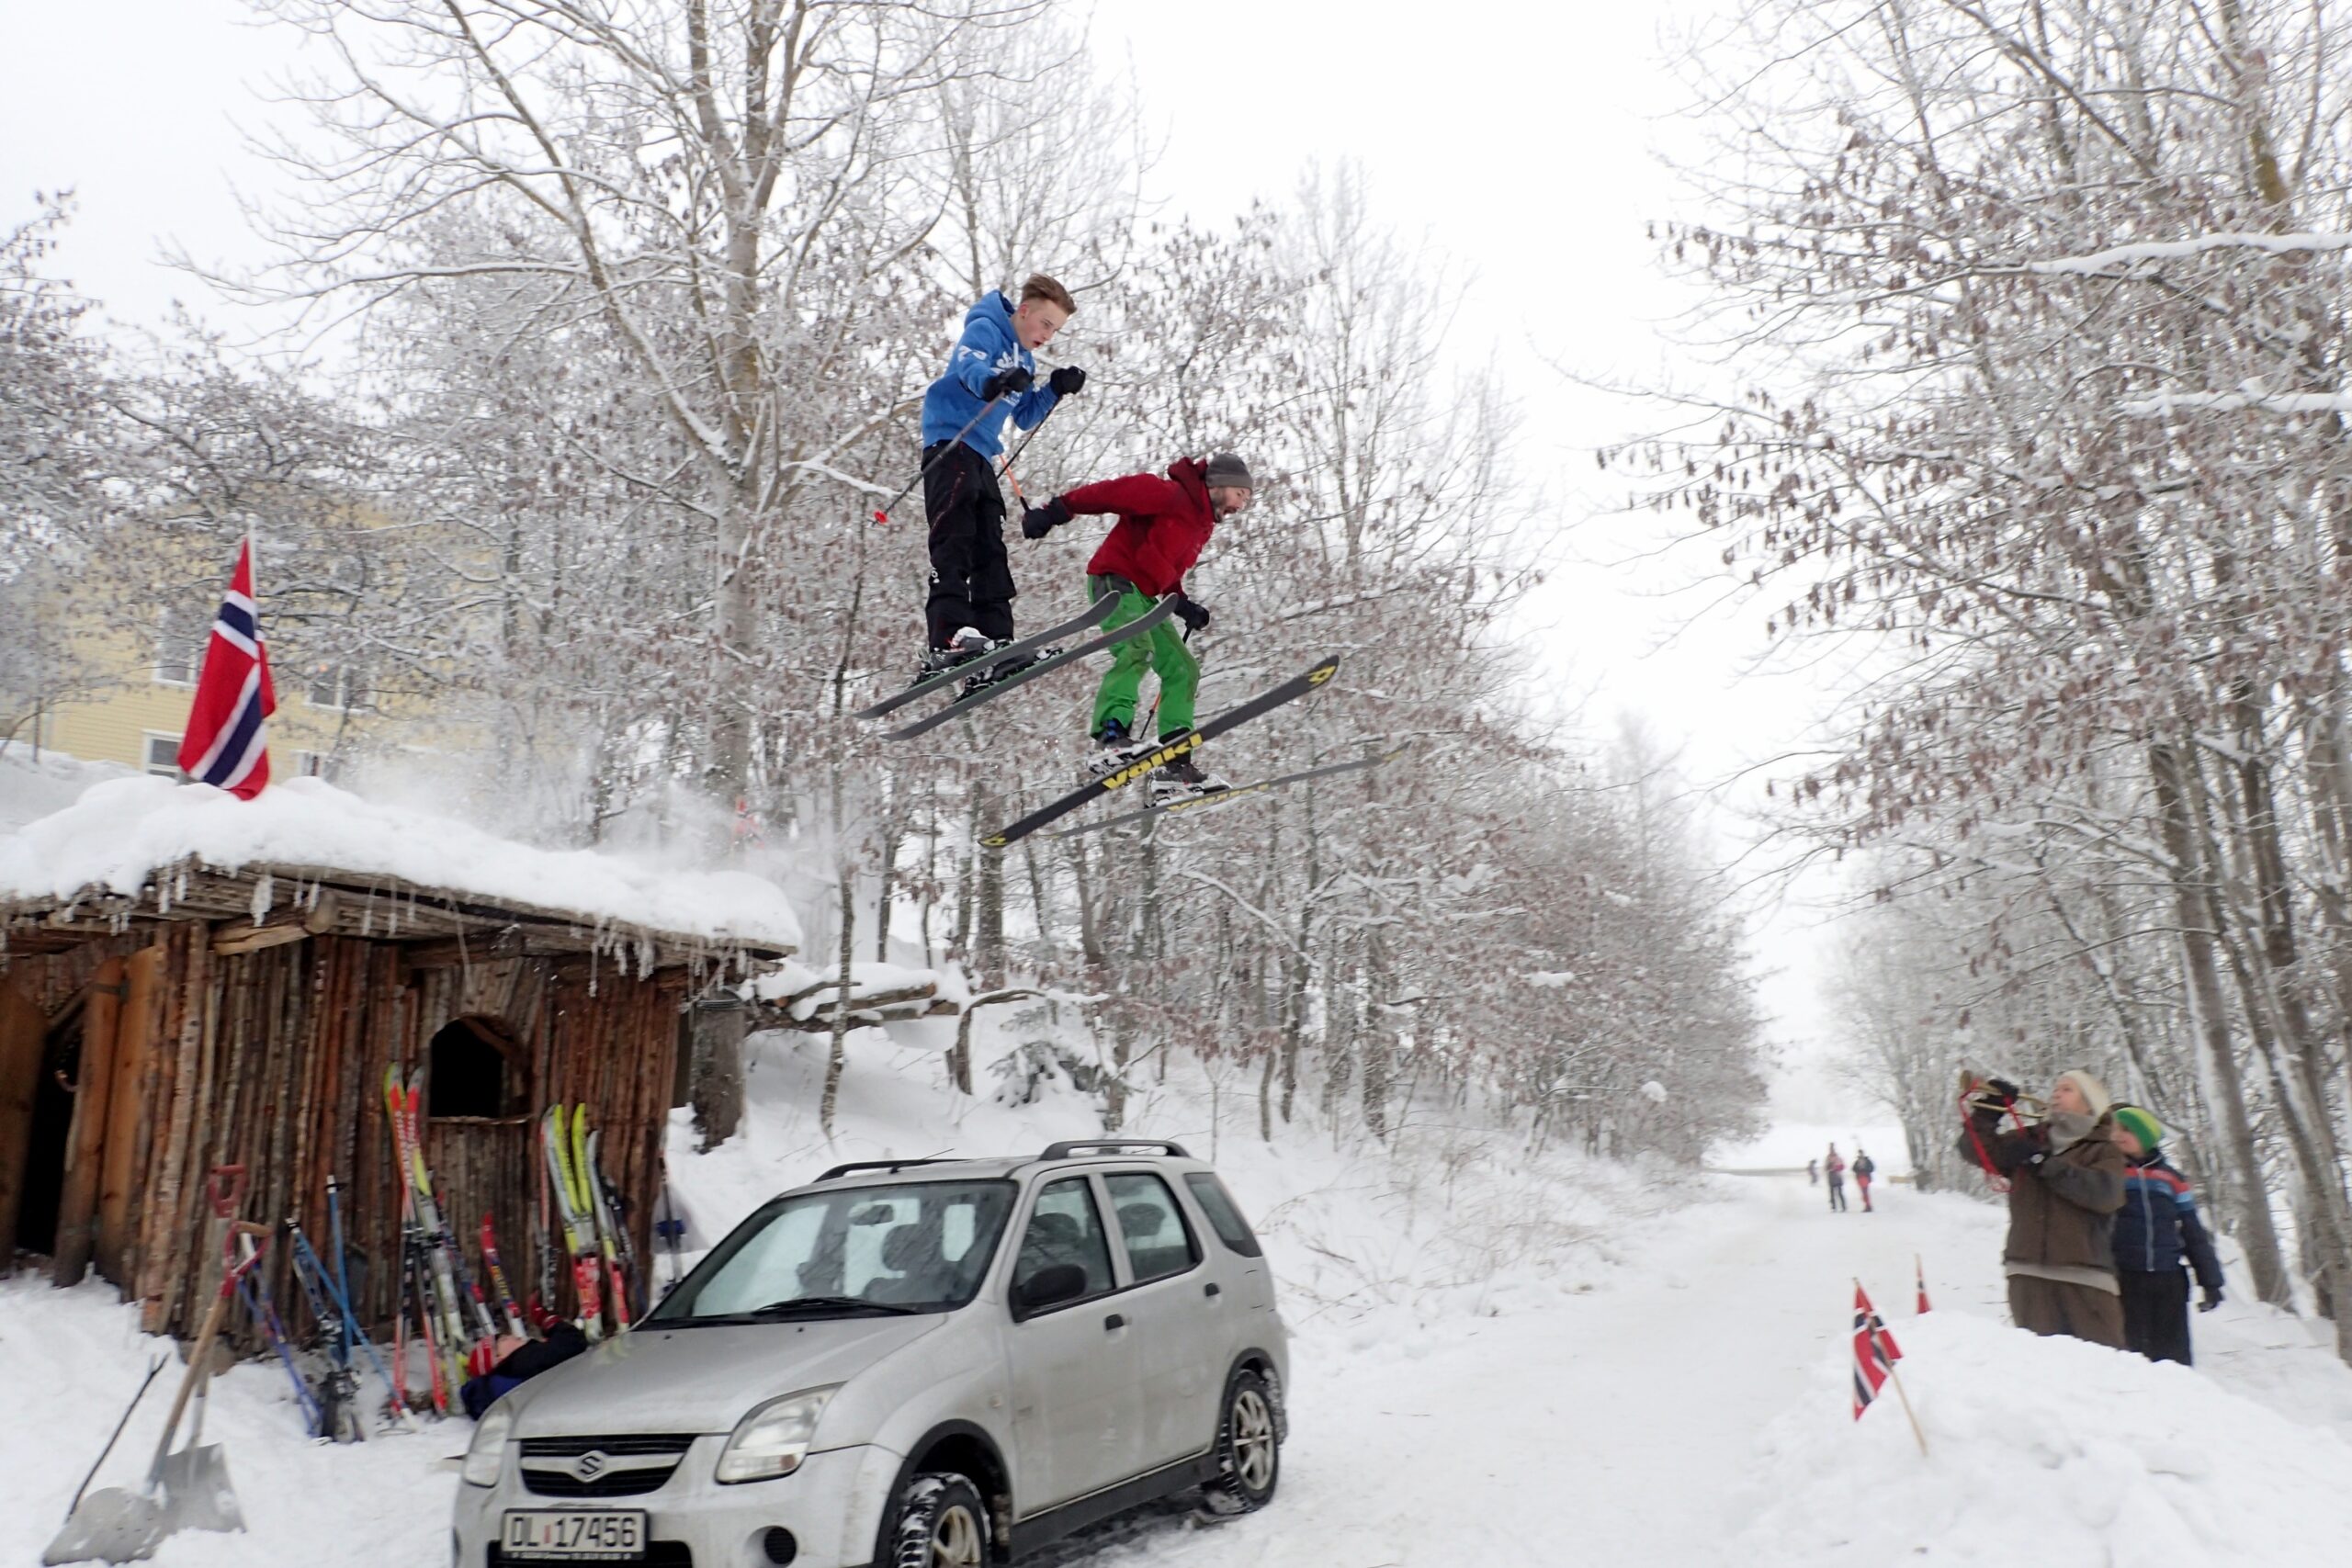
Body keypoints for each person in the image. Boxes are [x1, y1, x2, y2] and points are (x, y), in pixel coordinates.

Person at [1020, 453, 1255, 800]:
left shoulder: (1200, 525)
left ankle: (1175, 767)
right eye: (1240, 494)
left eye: (1247, 500)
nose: (1241, 505)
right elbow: (1111, 493)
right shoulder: (1168, 494)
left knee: (1183, 669)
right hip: (1115, 581)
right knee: (1136, 649)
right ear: (1218, 484)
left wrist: (1182, 602)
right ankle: (1111, 737)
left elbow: (1159, 562)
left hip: (1143, 597)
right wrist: (1058, 509)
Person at [914, 274, 1088, 685]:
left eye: (1055, 330)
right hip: (951, 445)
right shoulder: (986, 328)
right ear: (1024, 311)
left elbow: (1024, 415)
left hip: (982, 456)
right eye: (1045, 324)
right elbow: (969, 367)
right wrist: (994, 382)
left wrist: (1054, 389)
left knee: (990, 546)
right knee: (954, 537)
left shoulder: (1025, 360)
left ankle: (996, 640)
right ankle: (948, 636)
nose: (1047, 335)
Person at [1959, 1068, 2127, 1347]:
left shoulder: (2103, 1149)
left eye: (2067, 1089)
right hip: (2027, 1273)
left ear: (2089, 1104)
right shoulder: (2030, 1138)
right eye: (2056, 1088)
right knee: (2040, 1368)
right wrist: (1988, 1112)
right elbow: (1974, 1149)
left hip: (2086, 1278)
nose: (2056, 1094)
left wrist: (2046, 1165)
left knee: (2104, 1366)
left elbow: (2105, 1194)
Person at [2109, 1104, 2224, 1364]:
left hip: (2168, 1278)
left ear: (2145, 1136)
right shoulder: (2109, 1172)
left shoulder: (2171, 1178)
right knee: (2130, 1356)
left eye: (2126, 1130)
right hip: (2125, 1277)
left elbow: (2193, 1231)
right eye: (2114, 1129)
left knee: (2173, 1359)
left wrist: (2210, 1281)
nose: (2117, 1135)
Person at [1852, 1147, 1877, 1212]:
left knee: (1865, 1192)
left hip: (1865, 1177)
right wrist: (1858, 1169)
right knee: (1864, 1193)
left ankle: (1868, 1206)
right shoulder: (1857, 1162)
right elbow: (1853, 1169)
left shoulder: (1867, 1161)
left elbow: (1872, 1168)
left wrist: (1865, 1170)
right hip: (1860, 1178)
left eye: (1861, 1153)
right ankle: (1867, 1205)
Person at [1824, 1145, 1848, 1212]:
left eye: (1832, 1149)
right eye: (1831, 1149)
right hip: (1831, 1176)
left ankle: (1843, 1206)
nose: (1831, 1150)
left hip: (1837, 1176)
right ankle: (1834, 1207)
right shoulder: (1828, 1158)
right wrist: (1830, 1166)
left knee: (1840, 1193)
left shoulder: (1838, 1158)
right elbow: (1825, 1168)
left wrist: (1836, 1168)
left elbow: (1842, 1166)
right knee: (1832, 1193)